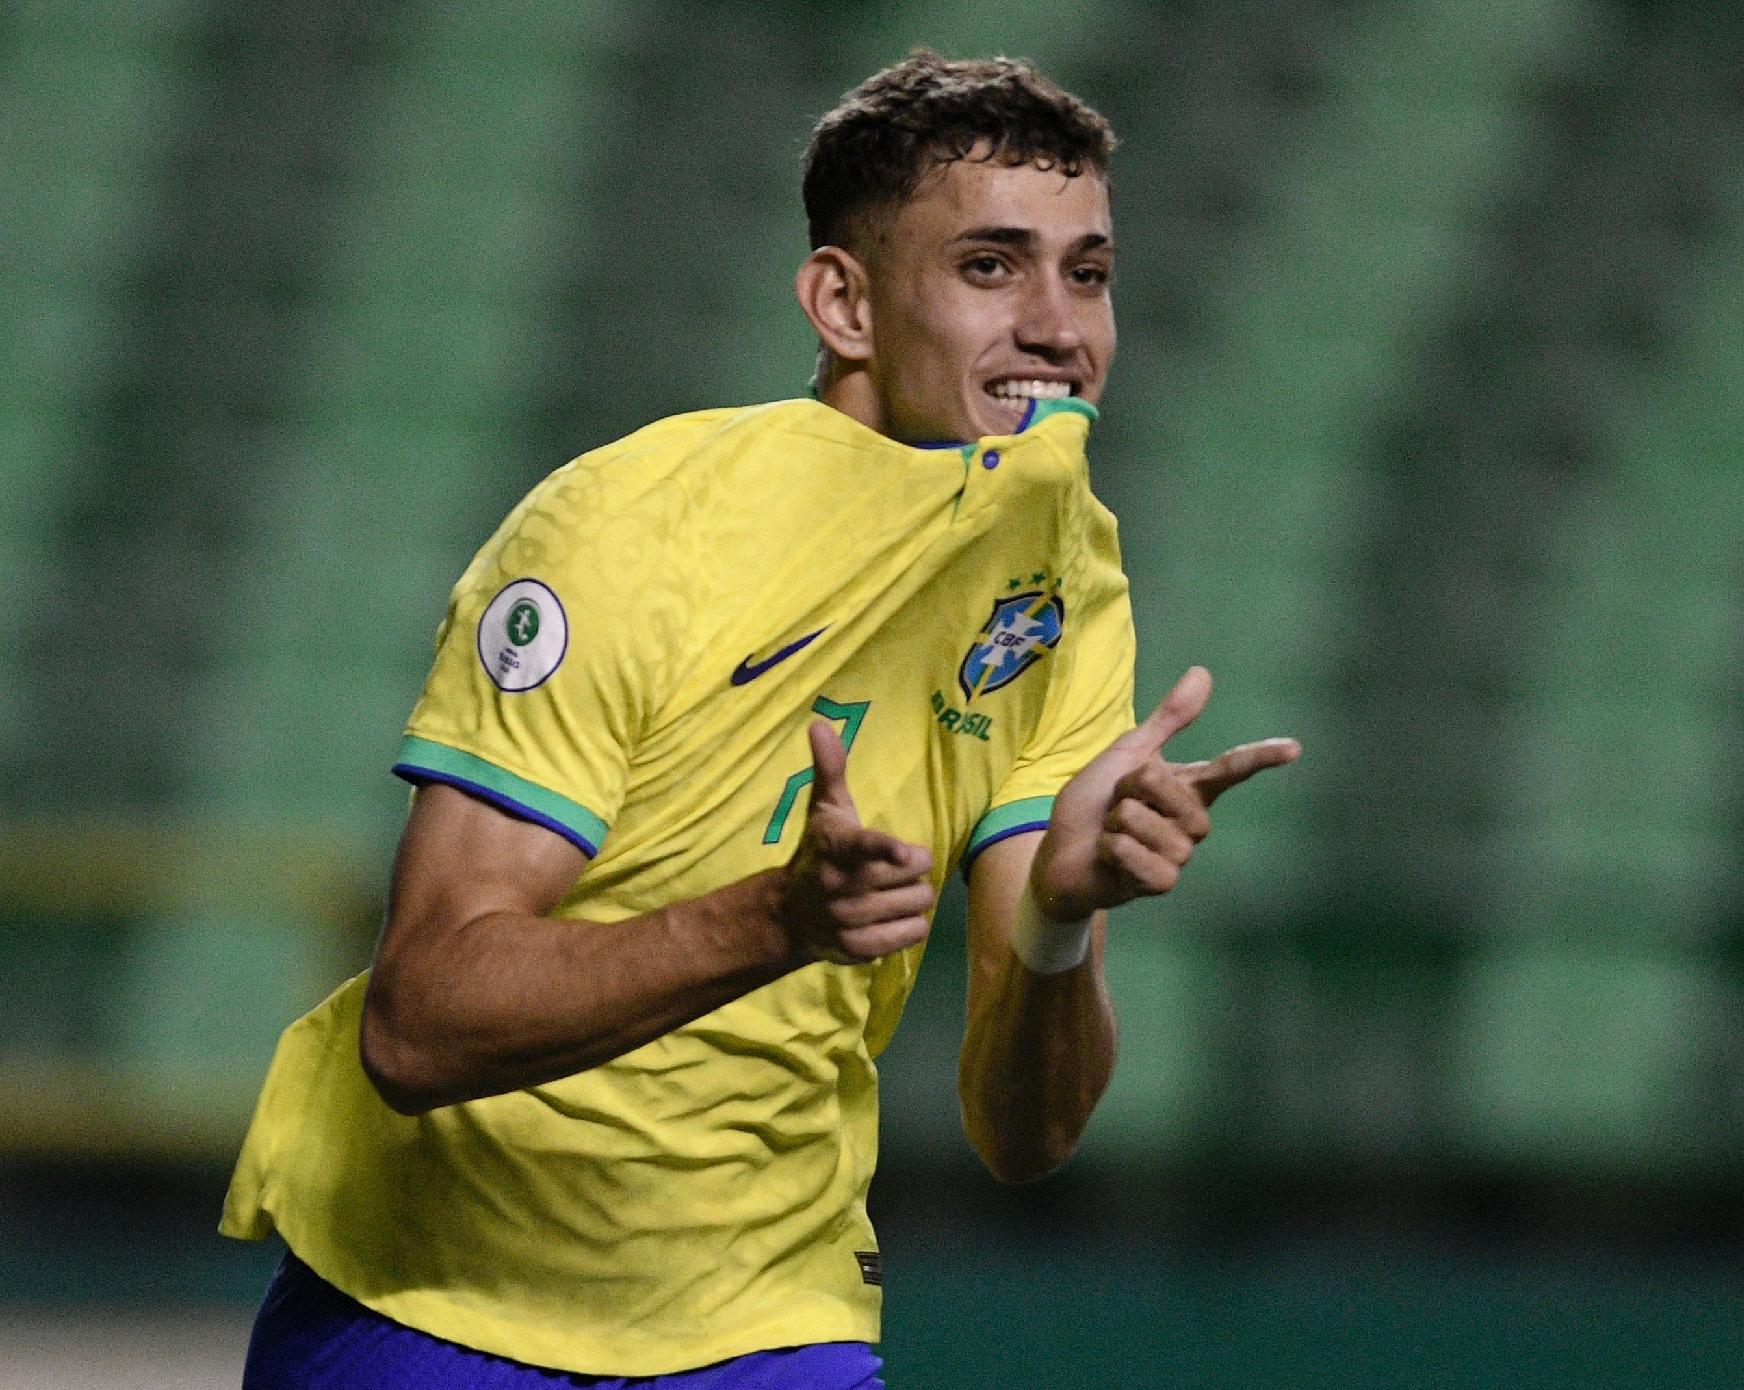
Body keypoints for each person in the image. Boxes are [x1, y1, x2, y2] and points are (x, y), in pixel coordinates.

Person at [222, 49, 1299, 1390]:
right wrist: (775, 922)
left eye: (1087, 272)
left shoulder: (1063, 573)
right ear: (843, 301)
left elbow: (1026, 1132)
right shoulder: (624, 528)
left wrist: (1063, 919)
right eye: (989, 267)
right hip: (440, 1302)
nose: (1058, 325)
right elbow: (420, 1021)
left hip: (765, 1322)